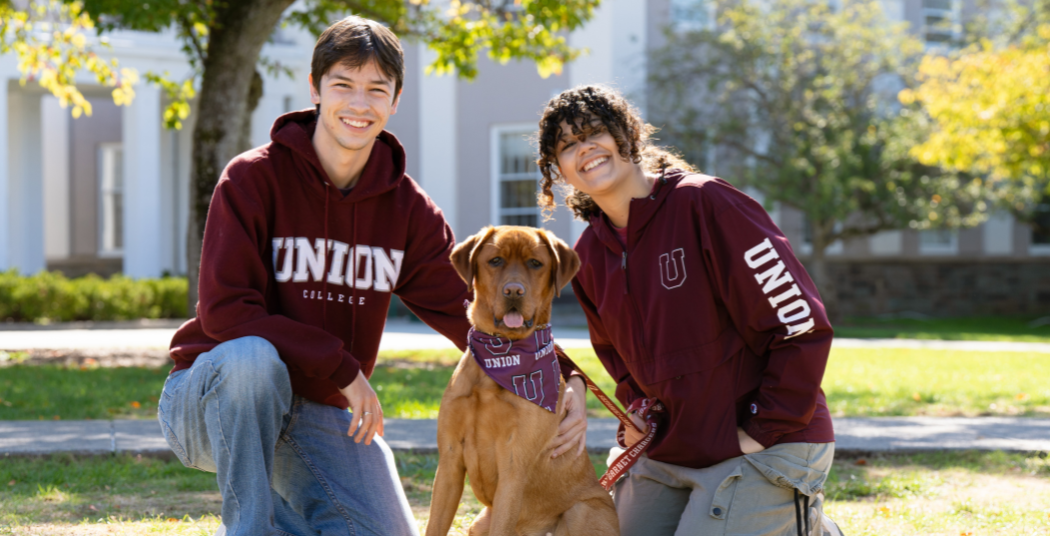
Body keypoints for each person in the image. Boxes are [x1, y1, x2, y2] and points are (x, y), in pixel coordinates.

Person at [159, 16, 474, 536]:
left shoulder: (407, 210)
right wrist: (341, 367)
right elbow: (225, 312)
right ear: (315, 89)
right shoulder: (253, 178)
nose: (359, 104)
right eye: (343, 84)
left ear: (395, 100)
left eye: (377, 89)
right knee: (253, 360)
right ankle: (248, 529)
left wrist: (564, 379)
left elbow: (472, 312)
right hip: (213, 396)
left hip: (314, 411)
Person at [536, 85, 843, 536]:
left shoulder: (706, 203)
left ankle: (809, 526)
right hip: (672, 450)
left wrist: (763, 428)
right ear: (559, 170)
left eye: (594, 132)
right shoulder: (589, 257)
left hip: (768, 439)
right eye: (567, 145)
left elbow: (799, 323)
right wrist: (639, 411)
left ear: (627, 135)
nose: (584, 149)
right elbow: (621, 363)